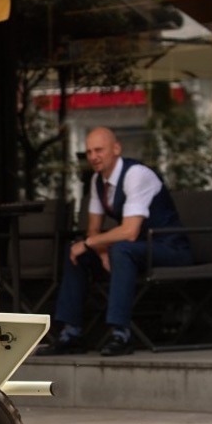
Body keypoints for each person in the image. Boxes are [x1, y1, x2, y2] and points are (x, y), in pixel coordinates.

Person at [39, 126, 193, 357]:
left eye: (99, 150)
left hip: (170, 248)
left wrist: (93, 244)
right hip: (137, 250)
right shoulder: (97, 181)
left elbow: (129, 232)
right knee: (76, 251)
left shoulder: (136, 174)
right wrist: (100, 251)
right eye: (89, 151)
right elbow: (93, 229)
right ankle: (72, 332)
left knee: (119, 249)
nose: (93, 156)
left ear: (116, 149)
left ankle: (121, 333)